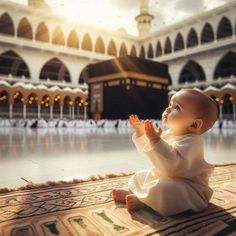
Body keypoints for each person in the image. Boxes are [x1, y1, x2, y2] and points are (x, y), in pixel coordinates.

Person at [112, 89, 218, 216]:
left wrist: (156, 140)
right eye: (170, 105)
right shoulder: (171, 134)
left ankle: (143, 201)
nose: (168, 110)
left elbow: (174, 167)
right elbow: (152, 152)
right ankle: (136, 192)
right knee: (141, 175)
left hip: (188, 188)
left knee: (163, 189)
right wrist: (141, 134)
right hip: (168, 177)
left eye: (177, 108)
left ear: (195, 124)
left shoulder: (193, 142)